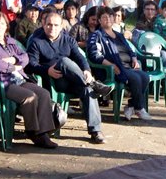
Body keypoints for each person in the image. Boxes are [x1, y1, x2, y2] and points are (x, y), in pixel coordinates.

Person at [26, 9, 111, 143]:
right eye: (49, 24)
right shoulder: (36, 41)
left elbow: (80, 58)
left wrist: (87, 70)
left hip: (74, 80)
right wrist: (47, 70)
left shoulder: (68, 40)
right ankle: (94, 83)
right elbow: (30, 65)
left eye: (56, 25)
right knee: (64, 61)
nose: (52, 28)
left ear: (61, 26)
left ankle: (96, 131)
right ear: (43, 24)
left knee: (88, 90)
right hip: (54, 81)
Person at [0, 12, 58, 149]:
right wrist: (14, 67)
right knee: (29, 97)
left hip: (18, 79)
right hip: (1, 83)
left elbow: (25, 57)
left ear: (6, 26)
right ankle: (33, 132)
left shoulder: (10, 42)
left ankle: (43, 132)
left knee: (44, 94)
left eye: (2, 23)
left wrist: (13, 60)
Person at [88, 6, 151, 121]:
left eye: (110, 16)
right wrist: (110, 65)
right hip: (112, 70)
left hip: (128, 66)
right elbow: (94, 54)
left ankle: (131, 105)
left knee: (145, 77)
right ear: (99, 20)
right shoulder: (97, 35)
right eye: (104, 17)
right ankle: (139, 108)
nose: (108, 19)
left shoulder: (119, 35)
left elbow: (130, 50)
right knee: (136, 78)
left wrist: (134, 58)